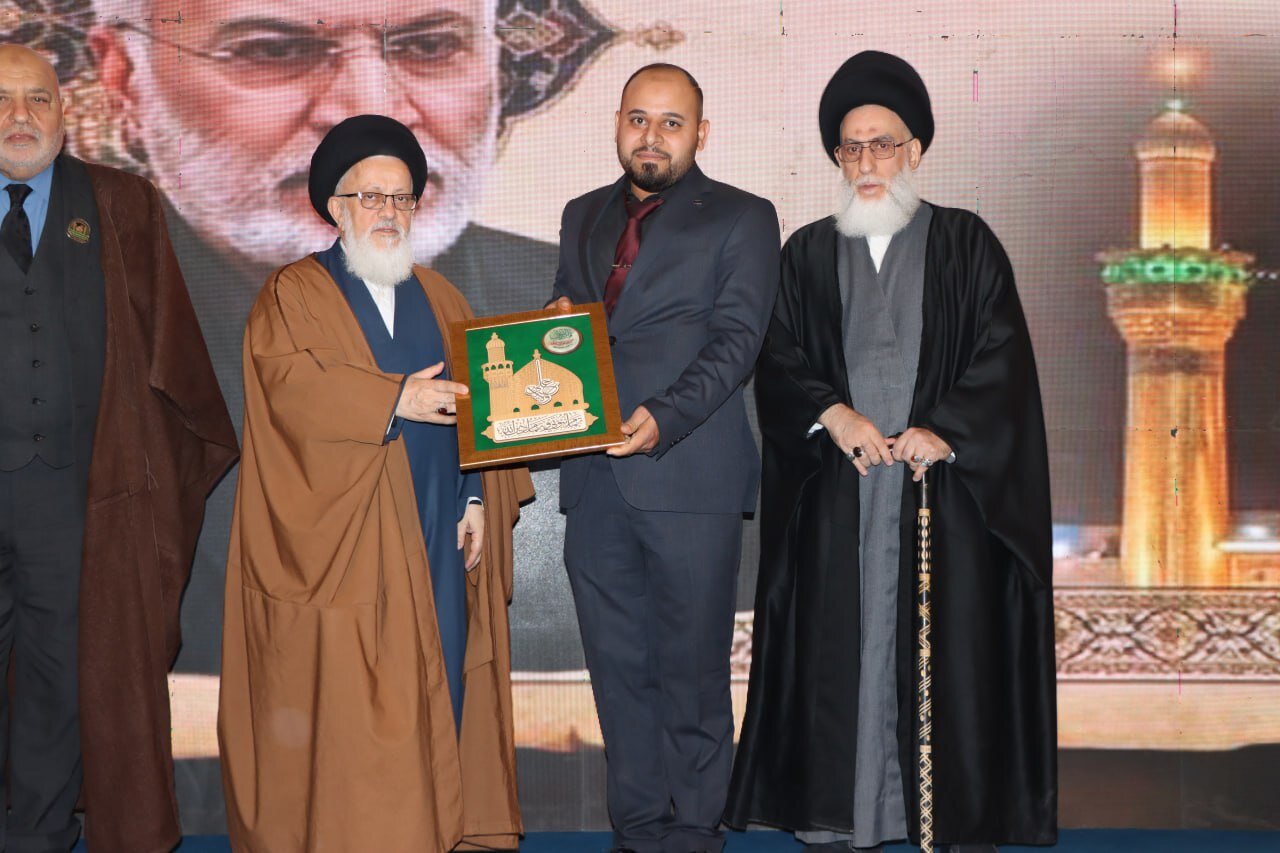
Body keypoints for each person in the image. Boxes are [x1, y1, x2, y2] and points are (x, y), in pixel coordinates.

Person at [87, 0, 564, 687]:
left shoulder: (547, 307)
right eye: (273, 51)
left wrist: (479, 492)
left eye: (430, 45)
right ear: (124, 78)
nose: (368, 110)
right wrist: (390, 400)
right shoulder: (72, 324)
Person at [725, 51, 1057, 852]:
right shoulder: (806, 253)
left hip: (938, 500)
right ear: (837, 158)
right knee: (835, 653)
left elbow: (1004, 359)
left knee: (944, 657)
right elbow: (777, 356)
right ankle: (842, 812)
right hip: (838, 499)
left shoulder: (967, 243)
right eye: (852, 148)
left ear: (915, 150)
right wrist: (832, 413)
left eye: (882, 144)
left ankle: (931, 814)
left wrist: (946, 427)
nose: (867, 162)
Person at [218, 114, 533, 853]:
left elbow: (481, 409)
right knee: (356, 715)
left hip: (438, 531)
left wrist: (478, 495)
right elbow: (290, 388)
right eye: (370, 196)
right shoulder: (294, 293)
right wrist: (393, 398)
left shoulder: (445, 298)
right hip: (347, 546)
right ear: (336, 207)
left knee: (440, 682)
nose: (387, 211)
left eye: (401, 198)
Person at [0, 44, 236, 853]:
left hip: (73, 497)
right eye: (2, 100)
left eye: (38, 98)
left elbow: (171, 356)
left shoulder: (119, 203)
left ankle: (35, 836)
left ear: (65, 112)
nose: (20, 116)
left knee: (59, 677)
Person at [550, 64, 779, 853]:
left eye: (671, 122)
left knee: (692, 671)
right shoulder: (581, 214)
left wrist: (665, 417)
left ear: (700, 134)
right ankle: (639, 829)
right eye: (638, 119)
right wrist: (553, 323)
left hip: (688, 473)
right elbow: (567, 322)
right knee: (617, 671)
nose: (652, 136)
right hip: (593, 478)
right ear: (618, 123)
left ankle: (693, 832)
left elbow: (738, 341)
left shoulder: (745, 216)